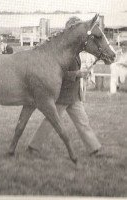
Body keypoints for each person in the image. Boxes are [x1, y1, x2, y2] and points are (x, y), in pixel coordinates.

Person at [28, 16, 102, 156]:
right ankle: (33, 147)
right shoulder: (62, 50)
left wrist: (81, 73)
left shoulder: (76, 48)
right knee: (51, 122)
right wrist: (77, 74)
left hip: (74, 96)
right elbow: (58, 73)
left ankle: (94, 149)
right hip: (62, 95)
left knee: (83, 122)